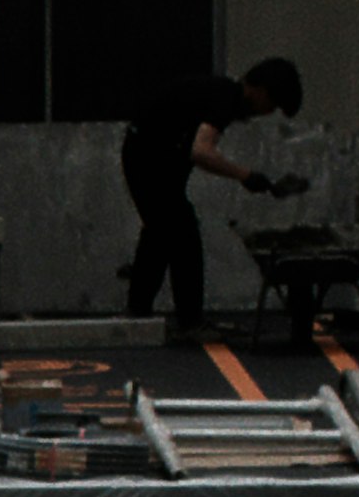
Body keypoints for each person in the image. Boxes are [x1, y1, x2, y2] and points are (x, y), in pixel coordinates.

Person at [123, 55, 307, 338]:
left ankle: (138, 313)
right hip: (150, 157)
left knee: (160, 233)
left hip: (148, 153)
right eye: (271, 103)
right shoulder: (226, 98)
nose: (267, 111)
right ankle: (187, 319)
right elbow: (201, 151)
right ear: (260, 89)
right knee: (181, 234)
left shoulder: (221, 93)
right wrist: (245, 175)